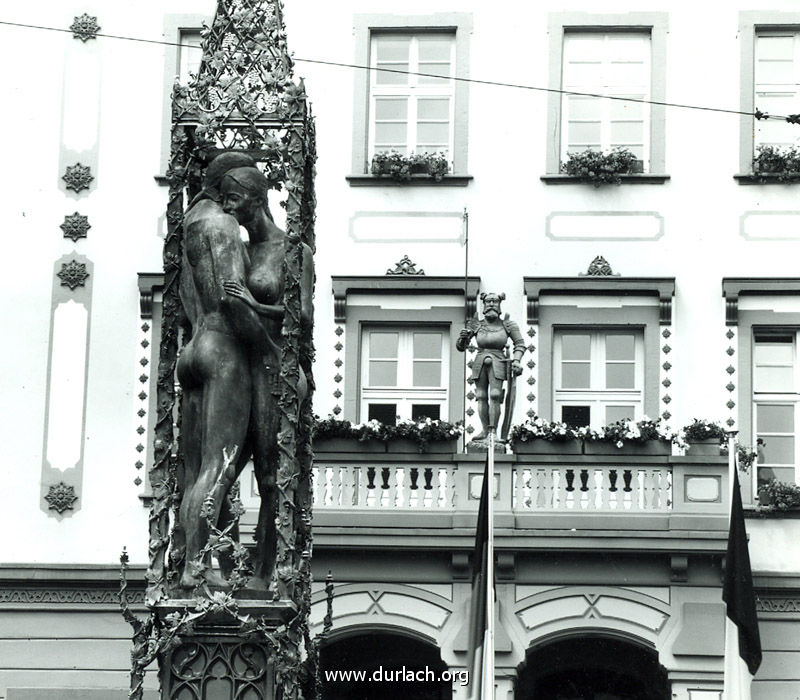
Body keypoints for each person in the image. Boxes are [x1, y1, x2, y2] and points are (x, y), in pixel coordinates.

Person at [175, 152, 269, 590]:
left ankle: (185, 563)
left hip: (193, 347)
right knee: (221, 466)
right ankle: (196, 570)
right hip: (224, 349)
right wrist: (268, 346)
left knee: (195, 471)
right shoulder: (224, 226)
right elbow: (232, 299)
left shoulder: (190, 222)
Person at [219, 165, 314, 590]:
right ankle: (221, 565)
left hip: (277, 368)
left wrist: (254, 307)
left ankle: (265, 571)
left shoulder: (293, 251)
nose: (226, 207)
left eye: (233, 198)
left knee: (271, 477)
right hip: (241, 366)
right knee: (223, 467)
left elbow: (303, 317)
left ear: (256, 199)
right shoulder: (235, 247)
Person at [456, 292, 525, 441]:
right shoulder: (476, 324)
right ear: (484, 305)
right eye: (488, 302)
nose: (491, 304)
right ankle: (484, 430)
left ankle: (493, 432)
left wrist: (517, 361)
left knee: (495, 395)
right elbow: (462, 347)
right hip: (480, 360)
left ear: (500, 305)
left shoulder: (508, 325)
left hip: (499, 360)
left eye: (494, 301)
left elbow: (519, 344)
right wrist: (462, 338)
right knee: (480, 396)